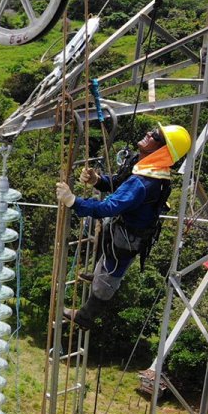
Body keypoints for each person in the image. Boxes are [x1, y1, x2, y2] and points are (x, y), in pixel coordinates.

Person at [54, 123, 192, 329]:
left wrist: (73, 201)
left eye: (155, 135)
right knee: (108, 252)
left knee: (112, 272)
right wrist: (97, 180)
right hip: (125, 226)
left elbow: (107, 207)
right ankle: (98, 275)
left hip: (130, 235)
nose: (148, 133)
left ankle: (85, 316)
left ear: (163, 149)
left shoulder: (145, 182)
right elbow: (119, 183)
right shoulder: (146, 164)